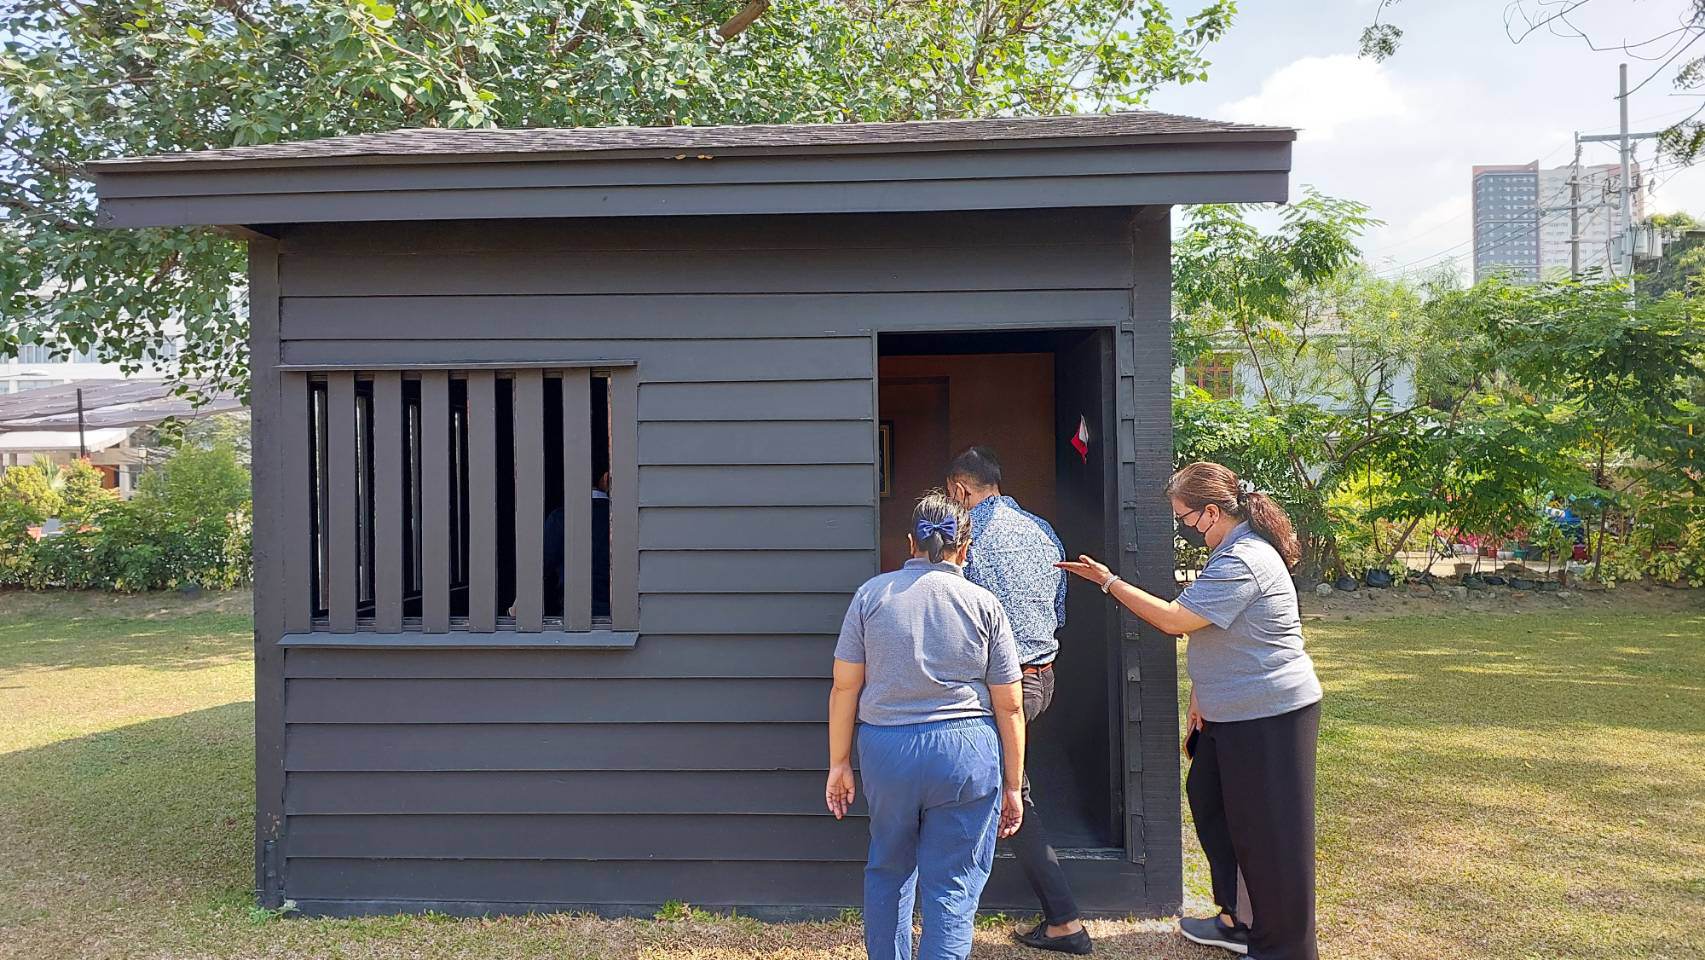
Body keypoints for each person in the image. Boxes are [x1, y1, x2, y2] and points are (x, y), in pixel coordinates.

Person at [1057, 462, 1322, 960]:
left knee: (1272, 833)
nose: (1183, 527)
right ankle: (1238, 918)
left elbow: (1177, 620)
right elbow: (1220, 632)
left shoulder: (1244, 558)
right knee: (1211, 800)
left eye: (1184, 518)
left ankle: (1284, 946)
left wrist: (1109, 582)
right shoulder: (1230, 550)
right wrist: (1202, 693)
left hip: (1271, 713)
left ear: (1212, 512)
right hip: (1231, 710)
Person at [826, 490, 1027, 960]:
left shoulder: (871, 596)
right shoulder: (984, 603)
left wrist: (839, 763)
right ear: (965, 547)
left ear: (908, 543)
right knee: (953, 883)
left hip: (887, 750)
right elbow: (1011, 706)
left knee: (889, 869)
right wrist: (1014, 785)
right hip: (965, 754)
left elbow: (844, 689)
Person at [943, 446, 1089, 955]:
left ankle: (1064, 920)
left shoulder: (970, 541)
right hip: (1043, 677)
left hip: (1002, 687)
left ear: (960, 491)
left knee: (1012, 794)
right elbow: (1059, 611)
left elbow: (963, 622)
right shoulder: (1042, 530)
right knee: (1009, 784)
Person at [541, 469, 611, 618]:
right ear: (606, 479)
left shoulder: (561, 518)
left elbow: (539, 569)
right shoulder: (622, 519)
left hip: (573, 618)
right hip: (619, 617)